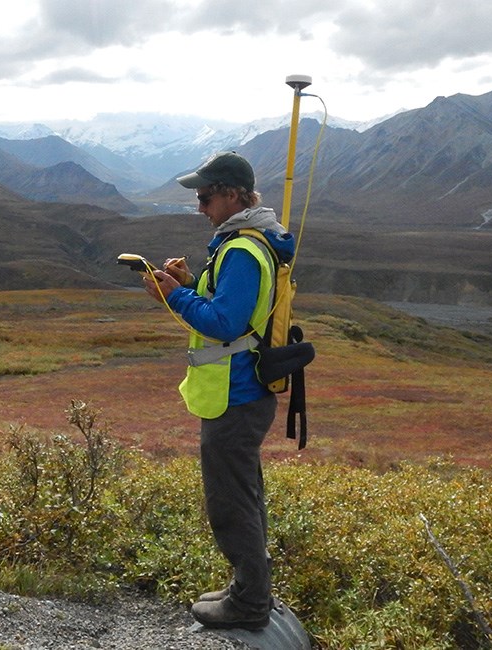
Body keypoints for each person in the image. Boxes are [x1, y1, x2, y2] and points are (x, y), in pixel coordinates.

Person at [143, 151, 294, 631]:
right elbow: (236, 310)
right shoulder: (247, 241)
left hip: (236, 395)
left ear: (232, 194)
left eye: (205, 197)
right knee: (244, 496)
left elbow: (226, 324)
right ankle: (249, 589)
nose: (199, 207)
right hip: (242, 393)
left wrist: (175, 295)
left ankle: (249, 605)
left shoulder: (242, 251)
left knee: (231, 503)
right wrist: (191, 282)